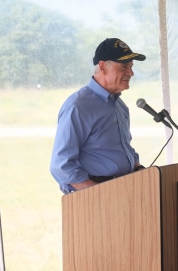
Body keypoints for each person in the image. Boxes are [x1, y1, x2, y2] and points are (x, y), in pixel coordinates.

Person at [50, 38, 146, 194]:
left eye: (131, 66)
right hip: (97, 199)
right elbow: (61, 166)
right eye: (123, 67)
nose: (131, 73)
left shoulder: (120, 106)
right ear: (102, 67)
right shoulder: (78, 106)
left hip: (125, 191)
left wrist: (139, 168)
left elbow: (122, 149)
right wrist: (99, 193)